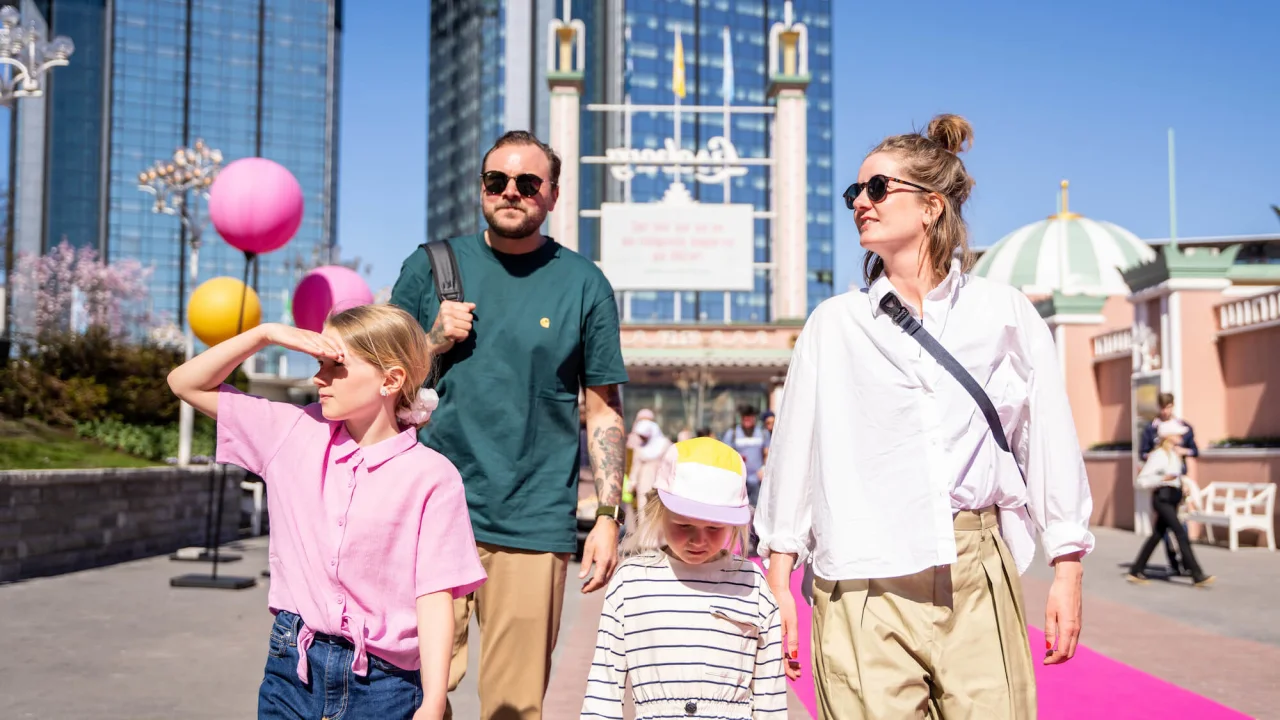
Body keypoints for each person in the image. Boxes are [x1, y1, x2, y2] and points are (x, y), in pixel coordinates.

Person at [756, 114, 1095, 719]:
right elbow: (795, 455)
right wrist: (780, 579)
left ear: (932, 206)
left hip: (975, 568)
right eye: (854, 192)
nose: (861, 202)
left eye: (878, 188)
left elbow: (1046, 438)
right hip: (861, 576)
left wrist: (1066, 565)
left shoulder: (1003, 313)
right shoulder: (834, 324)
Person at [390, 130, 629, 720]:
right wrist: (431, 340)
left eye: (528, 183)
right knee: (406, 696)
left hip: (530, 522)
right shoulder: (430, 269)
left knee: (513, 708)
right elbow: (378, 378)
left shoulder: (583, 284)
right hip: (426, 514)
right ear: (481, 190)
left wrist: (606, 516)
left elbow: (602, 408)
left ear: (551, 195)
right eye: (497, 181)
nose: (511, 192)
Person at [166, 305, 487, 720]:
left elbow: (434, 596)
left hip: (386, 683)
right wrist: (266, 334)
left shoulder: (433, 477)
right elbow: (184, 383)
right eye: (319, 363)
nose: (319, 378)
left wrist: (433, 700)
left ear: (390, 380)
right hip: (292, 667)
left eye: (335, 366)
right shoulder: (289, 432)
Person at [581, 437, 787, 719]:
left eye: (714, 527)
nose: (698, 540)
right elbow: (604, 684)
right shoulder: (632, 582)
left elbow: (770, 693)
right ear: (660, 511)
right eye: (684, 524)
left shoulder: (751, 583)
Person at [1127, 420, 1215, 587]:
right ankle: (1196, 574)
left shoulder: (1174, 454)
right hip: (1163, 499)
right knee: (1180, 534)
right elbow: (1141, 480)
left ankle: (1136, 570)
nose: (1181, 436)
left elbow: (1176, 476)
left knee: (1157, 535)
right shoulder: (1159, 455)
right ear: (1167, 437)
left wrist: (1182, 488)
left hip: (1172, 498)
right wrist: (1162, 478)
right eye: (1177, 434)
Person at [1138, 392, 1199, 575]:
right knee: (1167, 530)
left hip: (1179, 484)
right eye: (1162, 407)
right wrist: (1157, 456)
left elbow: (1195, 450)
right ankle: (1177, 564)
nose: (1165, 411)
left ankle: (1186, 564)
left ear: (1173, 406)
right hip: (1161, 486)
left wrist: (1181, 451)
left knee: (1178, 525)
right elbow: (1143, 453)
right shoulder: (1152, 429)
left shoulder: (1182, 427)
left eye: (1168, 407)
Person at [721, 405, 771, 507]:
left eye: (750, 417)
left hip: (757, 478)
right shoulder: (732, 433)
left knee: (756, 508)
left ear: (754, 418)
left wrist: (764, 468)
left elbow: (767, 453)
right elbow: (725, 454)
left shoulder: (762, 433)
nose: (747, 420)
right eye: (744, 417)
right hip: (739, 478)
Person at [627, 408, 672, 513]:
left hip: (661, 481)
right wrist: (632, 482)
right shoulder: (638, 447)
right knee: (643, 507)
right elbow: (635, 465)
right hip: (644, 481)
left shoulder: (664, 444)